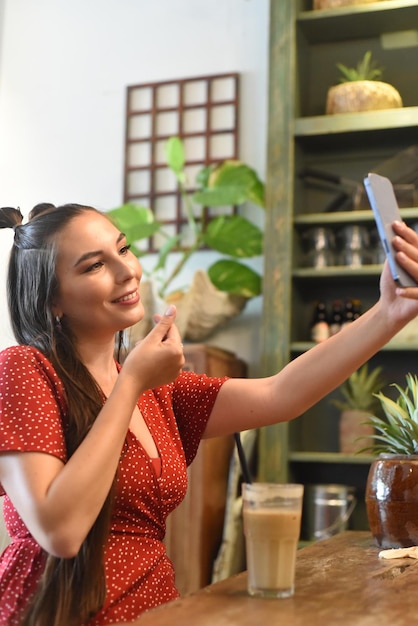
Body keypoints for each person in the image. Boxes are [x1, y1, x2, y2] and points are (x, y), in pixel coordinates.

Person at [1, 203, 418, 626]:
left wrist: (389, 313)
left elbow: (281, 393)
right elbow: (60, 532)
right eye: (94, 267)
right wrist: (131, 385)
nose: (127, 271)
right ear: (52, 300)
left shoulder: (153, 388)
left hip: (157, 611)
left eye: (123, 249)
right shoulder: (24, 370)